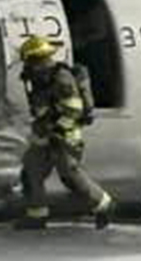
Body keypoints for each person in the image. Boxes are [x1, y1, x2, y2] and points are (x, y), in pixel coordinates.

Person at [15, 35, 114, 231]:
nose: (29, 65)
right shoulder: (38, 79)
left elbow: (73, 110)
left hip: (65, 136)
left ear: (41, 59)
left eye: (32, 60)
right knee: (30, 172)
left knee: (71, 177)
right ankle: (37, 216)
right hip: (46, 134)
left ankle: (104, 206)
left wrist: (55, 129)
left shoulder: (62, 78)